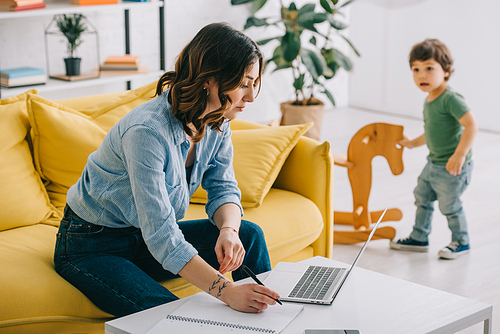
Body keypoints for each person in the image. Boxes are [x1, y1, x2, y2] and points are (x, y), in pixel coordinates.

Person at [53, 22, 280, 317]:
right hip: (92, 245)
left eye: (253, 83)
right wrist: (227, 291)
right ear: (210, 79)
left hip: (142, 239)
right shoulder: (147, 131)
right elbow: (162, 235)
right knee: (170, 316)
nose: (250, 97)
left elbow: (223, 188)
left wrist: (228, 230)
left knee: (247, 235)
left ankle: (267, 315)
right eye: (243, 84)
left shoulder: (217, 122)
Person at [389, 38, 478, 260]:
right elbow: (432, 132)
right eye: (416, 69)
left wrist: (459, 154)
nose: (422, 75)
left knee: (450, 206)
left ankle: (462, 241)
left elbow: (472, 125)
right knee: (422, 197)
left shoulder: (451, 98)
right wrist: (412, 143)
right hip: (434, 163)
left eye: (429, 68)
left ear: (446, 71)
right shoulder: (430, 99)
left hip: (453, 167)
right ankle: (419, 237)